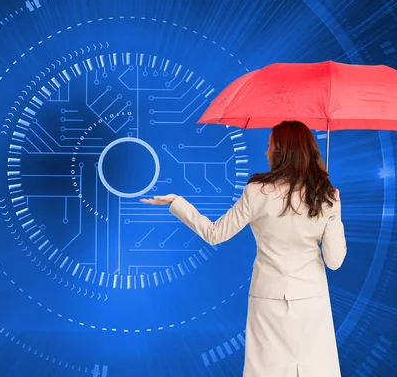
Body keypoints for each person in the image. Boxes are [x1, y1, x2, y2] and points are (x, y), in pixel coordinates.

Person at [141, 120, 346, 377]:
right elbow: (334, 260)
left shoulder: (257, 191)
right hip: (312, 297)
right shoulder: (327, 196)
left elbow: (215, 234)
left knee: (266, 369)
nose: (265, 152)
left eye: (269, 146)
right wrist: (332, 210)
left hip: (267, 296)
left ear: (282, 152)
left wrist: (178, 203)